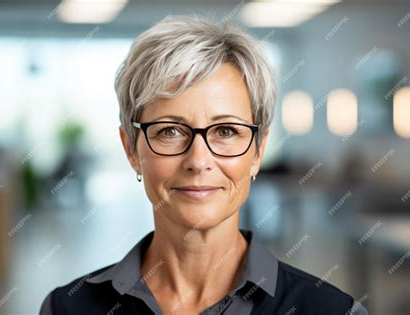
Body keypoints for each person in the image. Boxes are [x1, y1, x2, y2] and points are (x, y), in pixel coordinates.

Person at [40, 15, 368, 315]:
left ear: (258, 150)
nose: (198, 161)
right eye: (169, 130)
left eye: (226, 131)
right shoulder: (66, 308)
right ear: (131, 149)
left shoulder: (332, 312)